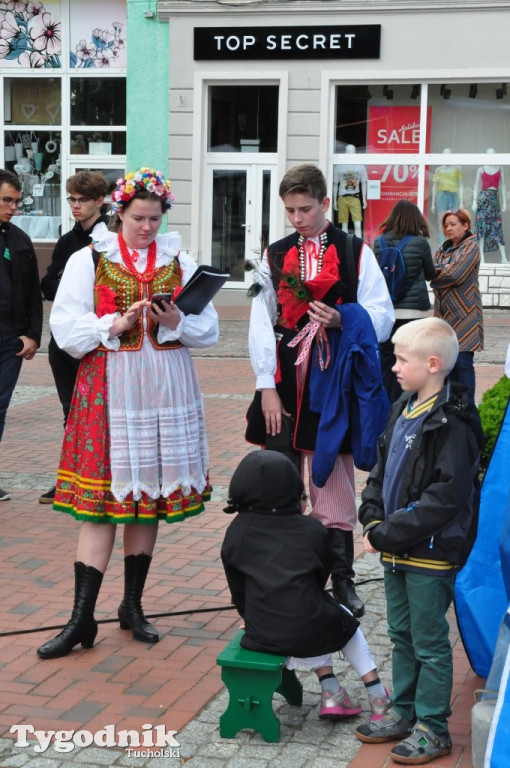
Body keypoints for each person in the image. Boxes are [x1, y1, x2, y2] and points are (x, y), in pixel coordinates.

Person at [36, 167, 219, 659]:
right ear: (119, 213)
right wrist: (113, 324)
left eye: (155, 219)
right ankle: (81, 618)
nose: (146, 228)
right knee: (100, 503)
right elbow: (67, 329)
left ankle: (132, 606)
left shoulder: (179, 258)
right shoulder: (88, 257)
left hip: (164, 387)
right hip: (110, 387)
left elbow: (209, 329)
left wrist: (177, 320)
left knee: (148, 495)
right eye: (139, 218)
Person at [246, 164, 394, 618]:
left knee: (332, 478)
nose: (297, 218)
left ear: (325, 203)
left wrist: (343, 319)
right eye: (289, 210)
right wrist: (265, 387)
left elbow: (383, 316)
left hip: (336, 380)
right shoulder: (273, 255)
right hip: (287, 379)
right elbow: (259, 322)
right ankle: (289, 578)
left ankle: (343, 580)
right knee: (281, 478)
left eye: (305, 209)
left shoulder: (354, 251)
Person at [356, 317, 484, 765]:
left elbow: (446, 497)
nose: (393, 366)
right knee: (401, 634)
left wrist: (389, 532)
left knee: (429, 641)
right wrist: (371, 514)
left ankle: (433, 726)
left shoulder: (455, 422)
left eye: (400, 358)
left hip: (429, 553)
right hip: (394, 548)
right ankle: (404, 713)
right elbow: (380, 467)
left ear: (432, 364)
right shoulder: (403, 406)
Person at [221, 450, 391, 722]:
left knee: (313, 614)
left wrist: (250, 618)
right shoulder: (311, 529)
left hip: (262, 634)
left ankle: (332, 690)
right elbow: (318, 579)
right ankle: (377, 694)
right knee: (337, 619)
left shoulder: (237, 531)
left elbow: (238, 589)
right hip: (309, 625)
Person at [39, 170, 110, 504]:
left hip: (99, 339)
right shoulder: (69, 240)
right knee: (71, 411)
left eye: (82, 200)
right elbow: (48, 283)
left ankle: (96, 477)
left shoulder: (109, 237)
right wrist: (72, 286)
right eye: (71, 199)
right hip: (65, 339)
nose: (75, 206)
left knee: (95, 412)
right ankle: (70, 478)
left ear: (100, 201)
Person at [0, 169, 42, 502]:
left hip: (10, 342)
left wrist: (32, 335)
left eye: (16, 201)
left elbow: (32, 293)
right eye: (6, 200)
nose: (13, 207)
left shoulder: (19, 239)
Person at [373, 200, 436, 402]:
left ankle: (387, 406)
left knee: (387, 360)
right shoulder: (420, 242)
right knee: (413, 359)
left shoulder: (379, 242)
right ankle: (408, 403)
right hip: (413, 313)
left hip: (388, 312)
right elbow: (430, 274)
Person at [430, 208, 483, 404]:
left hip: (465, 316)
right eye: (446, 225)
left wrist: (437, 276)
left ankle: (468, 409)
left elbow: (455, 274)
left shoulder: (471, 247)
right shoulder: (443, 248)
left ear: (465, 225)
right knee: (447, 365)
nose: (449, 228)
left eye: (453, 224)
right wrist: (440, 272)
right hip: (444, 317)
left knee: (463, 364)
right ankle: (452, 410)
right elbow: (431, 268)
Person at [472, 147, 507, 263]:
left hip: (494, 200)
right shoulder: (481, 169)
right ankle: (481, 258)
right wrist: (474, 200)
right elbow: (476, 186)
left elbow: (503, 186)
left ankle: (504, 257)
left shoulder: (500, 167)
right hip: (483, 200)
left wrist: (505, 202)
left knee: (497, 227)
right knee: (482, 228)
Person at [333, 144, 368, 238]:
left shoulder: (360, 166)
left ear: (355, 153)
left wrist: (364, 199)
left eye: (352, 151)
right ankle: (345, 246)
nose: (350, 153)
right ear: (345, 153)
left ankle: (360, 245)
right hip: (342, 197)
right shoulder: (339, 166)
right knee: (344, 225)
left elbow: (364, 183)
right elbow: (335, 184)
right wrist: (334, 201)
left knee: (357, 224)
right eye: (348, 151)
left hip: (355, 197)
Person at [430, 148, 463, 231]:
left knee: (454, 219)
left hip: (454, 195)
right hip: (442, 195)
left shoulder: (457, 168)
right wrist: (433, 203)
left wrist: (461, 201)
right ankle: (443, 242)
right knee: (441, 219)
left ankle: (453, 242)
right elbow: (434, 186)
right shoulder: (439, 170)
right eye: (445, 155)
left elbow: (461, 185)